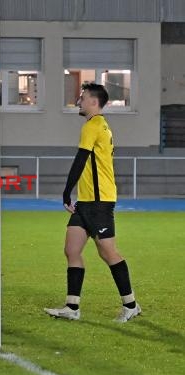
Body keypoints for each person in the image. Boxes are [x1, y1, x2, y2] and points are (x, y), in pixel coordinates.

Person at [44, 83, 141, 322]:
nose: (79, 101)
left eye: (83, 97)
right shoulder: (100, 126)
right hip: (87, 201)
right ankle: (72, 307)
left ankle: (131, 305)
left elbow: (80, 160)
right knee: (72, 250)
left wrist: (66, 192)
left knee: (108, 253)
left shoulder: (94, 125)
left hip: (99, 202)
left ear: (94, 102)